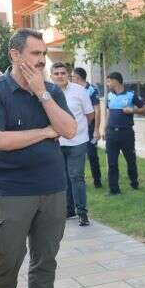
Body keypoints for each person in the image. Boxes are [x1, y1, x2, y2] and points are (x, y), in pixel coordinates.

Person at [0, 28, 77, 288]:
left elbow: (69, 130)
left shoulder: (52, 90)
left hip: (52, 187)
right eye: (36, 53)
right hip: (11, 191)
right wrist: (45, 132)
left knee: (45, 258)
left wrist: (42, 93)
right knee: (6, 259)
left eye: (44, 54)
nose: (42, 60)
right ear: (15, 54)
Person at [51, 63, 94, 226]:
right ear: (51, 76)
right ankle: (68, 210)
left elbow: (90, 114)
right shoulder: (46, 92)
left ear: (68, 74)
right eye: (56, 73)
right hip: (56, 142)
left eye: (63, 73)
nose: (60, 76)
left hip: (77, 141)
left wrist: (78, 129)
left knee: (76, 177)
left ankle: (82, 212)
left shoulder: (79, 91)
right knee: (62, 178)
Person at [99, 72, 145, 195]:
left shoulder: (131, 94)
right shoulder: (109, 96)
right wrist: (104, 129)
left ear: (116, 81)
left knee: (130, 160)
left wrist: (133, 110)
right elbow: (108, 113)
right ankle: (114, 190)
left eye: (109, 81)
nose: (107, 84)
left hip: (126, 134)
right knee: (112, 163)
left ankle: (134, 183)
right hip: (111, 133)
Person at [72, 66, 102, 188]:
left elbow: (97, 111)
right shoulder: (73, 90)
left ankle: (97, 181)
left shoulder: (91, 90)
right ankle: (78, 180)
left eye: (73, 77)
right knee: (76, 155)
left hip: (90, 128)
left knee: (92, 155)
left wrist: (96, 130)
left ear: (77, 77)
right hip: (76, 128)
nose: (71, 79)